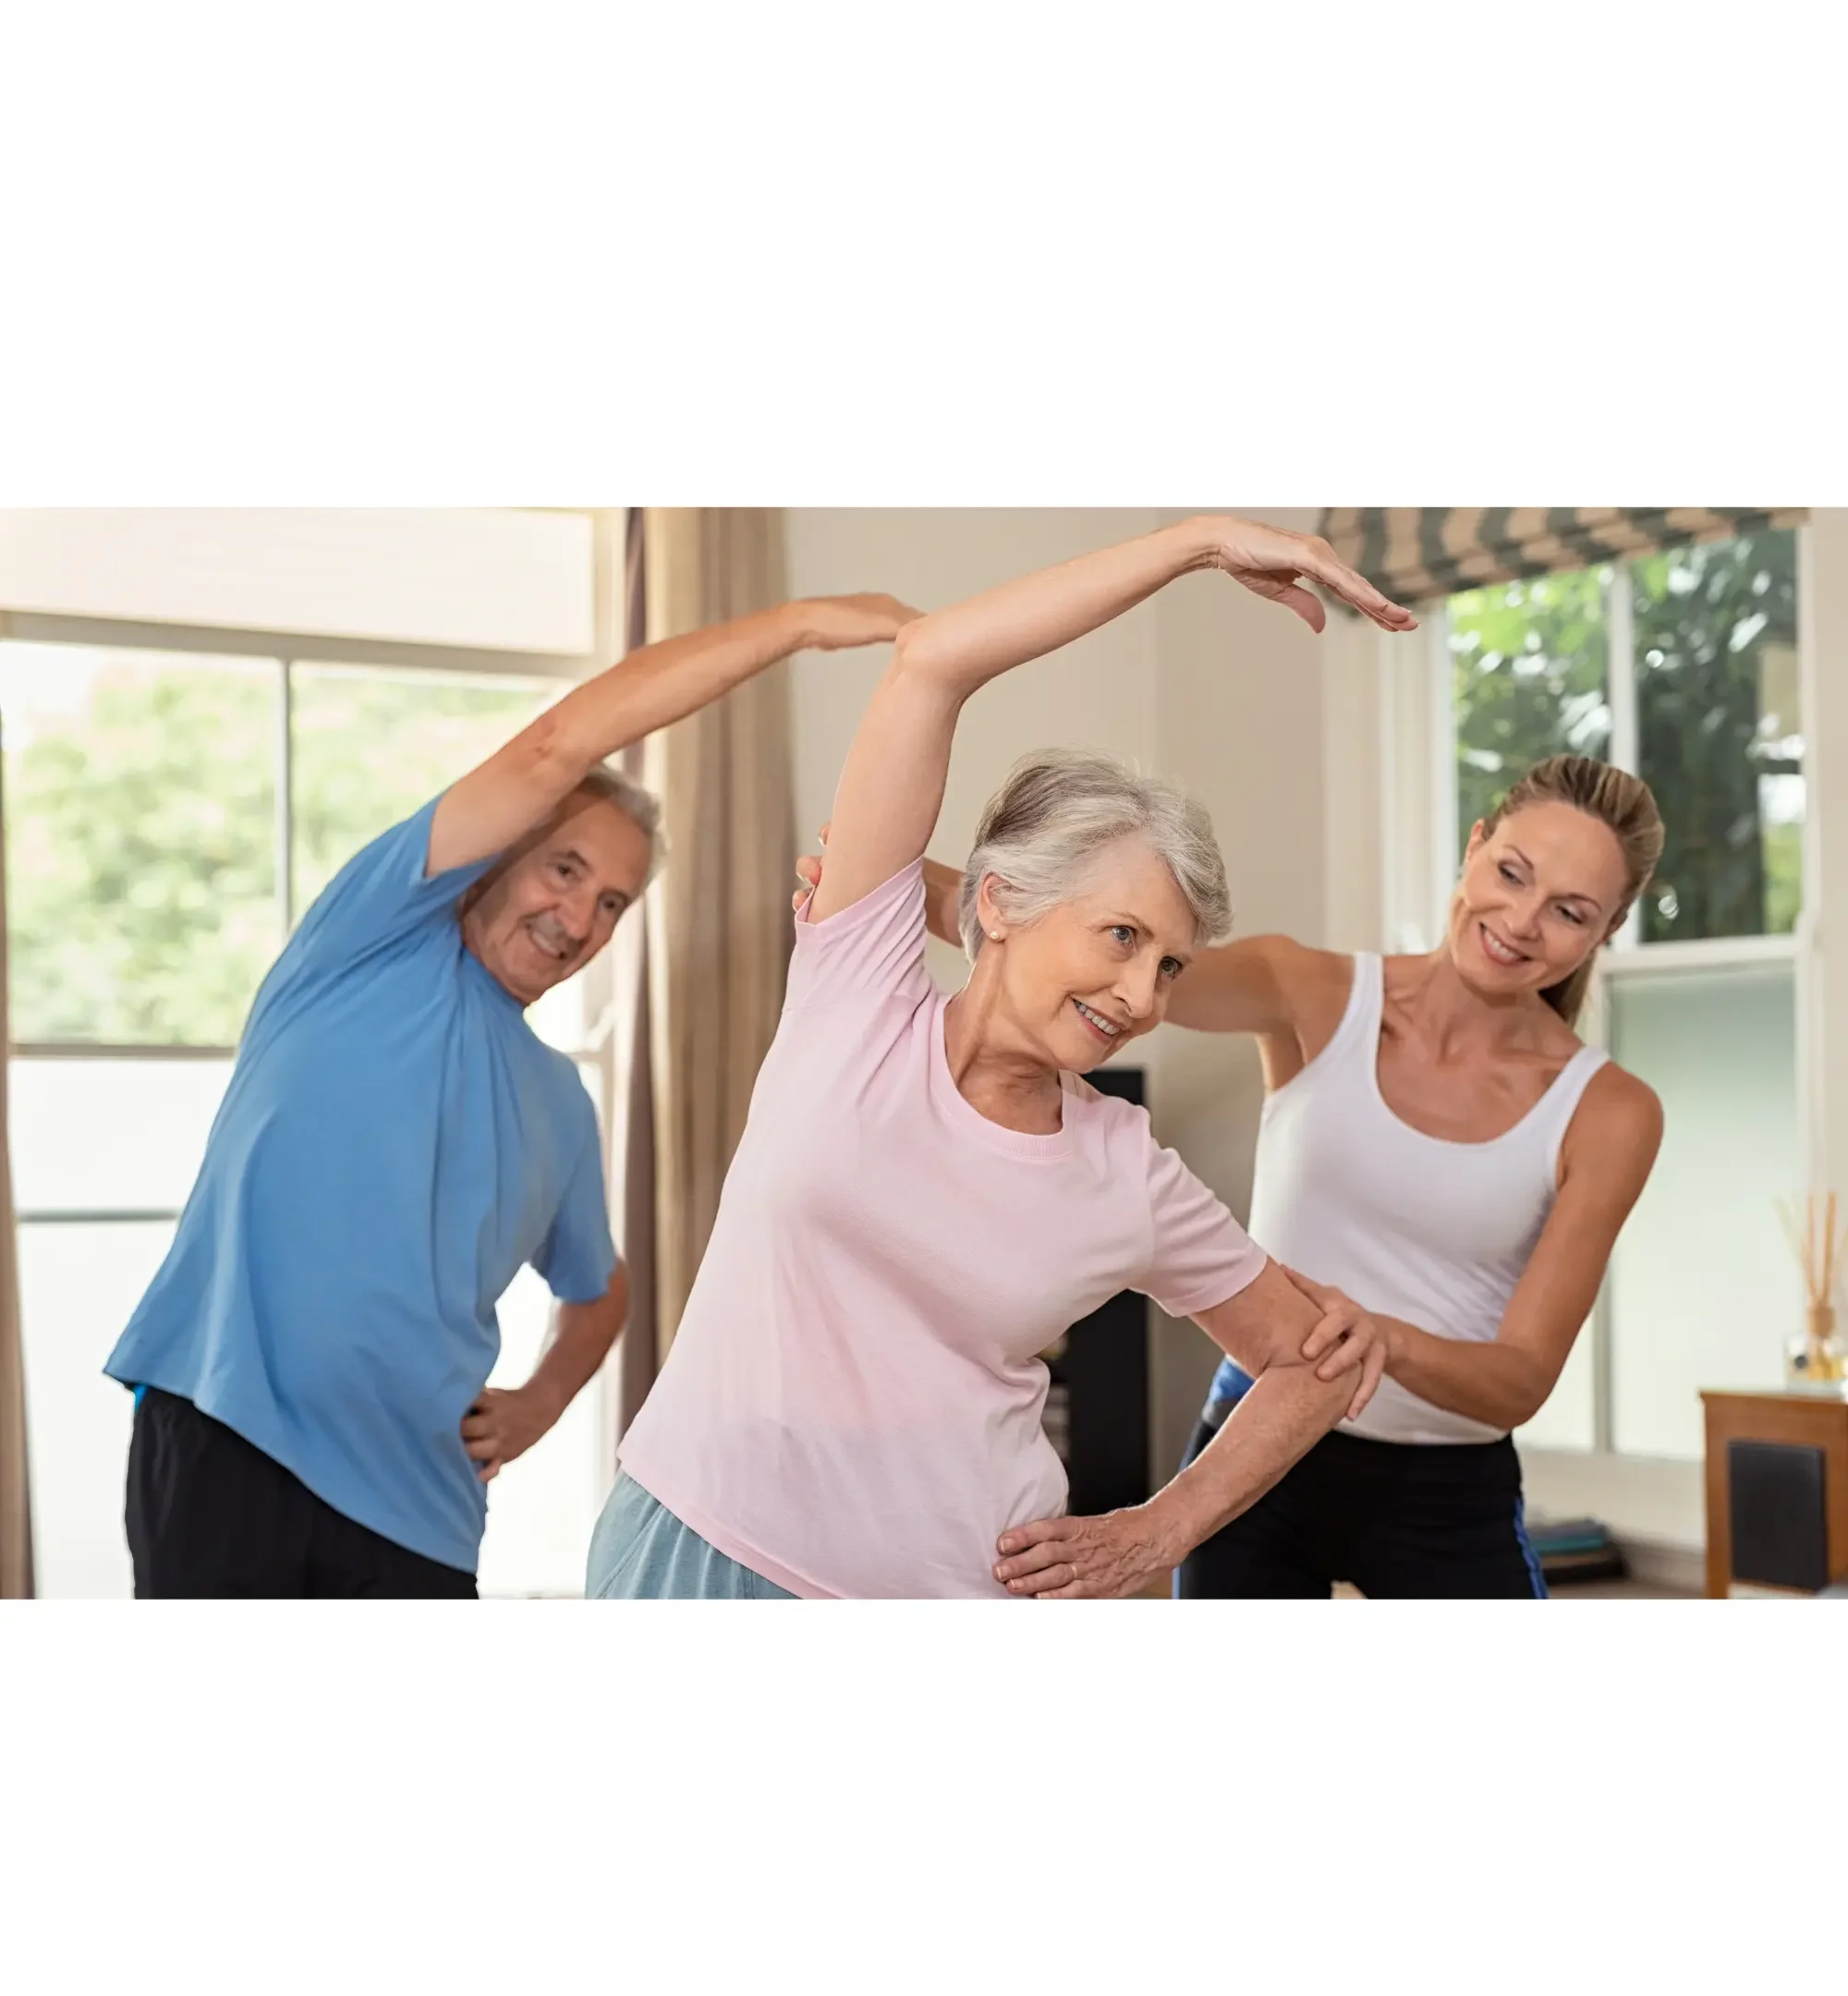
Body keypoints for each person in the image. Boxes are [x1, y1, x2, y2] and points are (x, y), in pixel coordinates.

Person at [587, 515, 1416, 1601]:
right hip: (691, 1544)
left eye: (1169, 967)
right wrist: (1194, 545)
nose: (1139, 995)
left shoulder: (1125, 1171)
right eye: (1121, 937)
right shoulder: (859, 988)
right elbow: (930, 662)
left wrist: (1158, 1532)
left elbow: (1312, 1365)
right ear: (1000, 902)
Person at [108, 586, 918, 1598]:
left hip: (419, 1510)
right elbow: (555, 748)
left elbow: (601, 1289)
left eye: (611, 902)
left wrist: (538, 1402)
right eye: (563, 869)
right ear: (494, 859)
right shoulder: (367, 947)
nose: (578, 916)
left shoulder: (559, 1105)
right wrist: (794, 626)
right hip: (232, 1437)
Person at [890, 750, 1665, 1599]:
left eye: (1569, 911)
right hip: (1253, 1452)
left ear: (1607, 928)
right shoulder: (1311, 991)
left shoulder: (1609, 1111)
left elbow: (1519, 1378)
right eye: (1511, 873)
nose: (1520, 920)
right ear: (1474, 847)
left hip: (1444, 1489)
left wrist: (1373, 1337)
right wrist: (868, 876)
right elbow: (1092, 946)